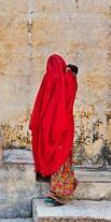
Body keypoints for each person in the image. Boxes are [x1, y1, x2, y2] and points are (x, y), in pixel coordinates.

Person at [29, 55, 79, 206]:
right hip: (64, 124)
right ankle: (61, 189)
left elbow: (41, 102)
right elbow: (72, 84)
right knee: (62, 155)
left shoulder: (49, 78)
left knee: (54, 154)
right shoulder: (68, 79)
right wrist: (72, 72)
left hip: (49, 124)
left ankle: (58, 193)